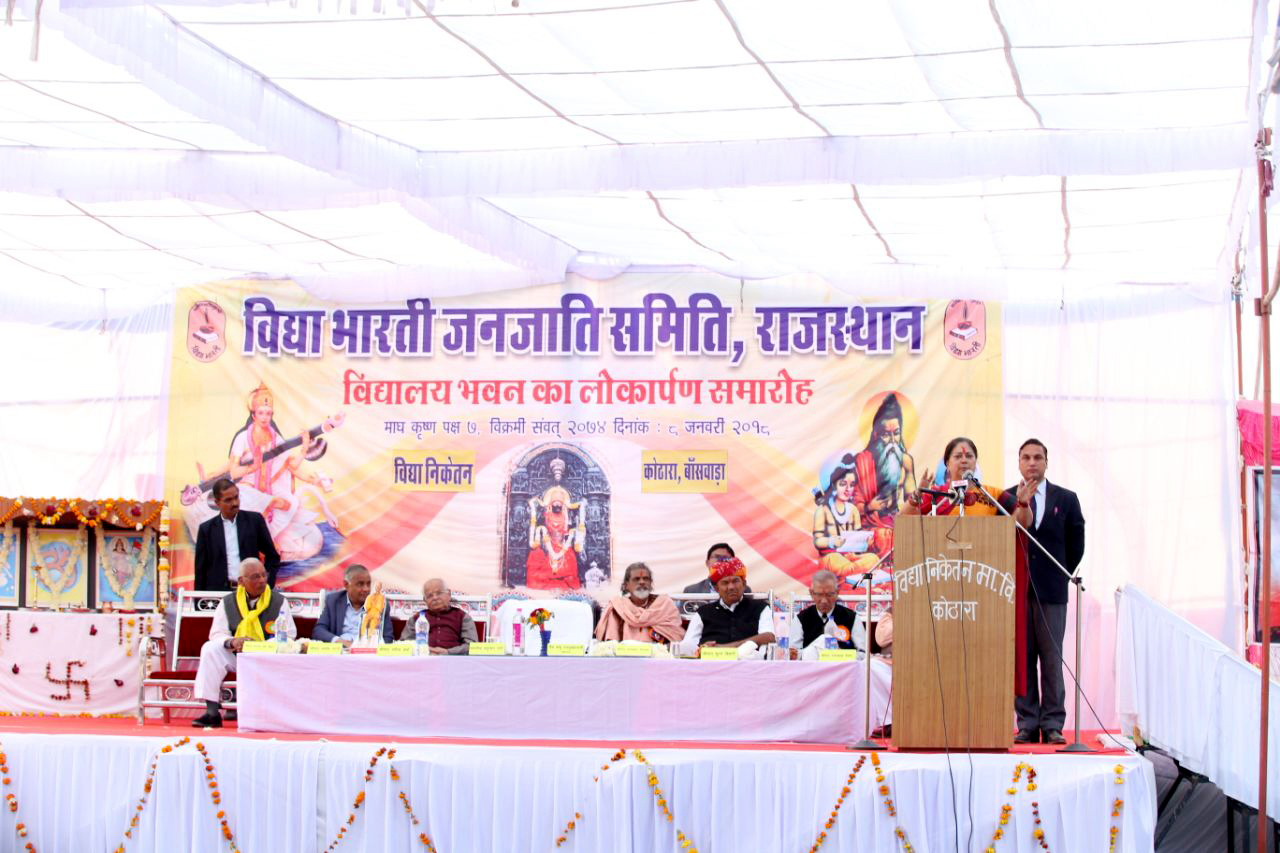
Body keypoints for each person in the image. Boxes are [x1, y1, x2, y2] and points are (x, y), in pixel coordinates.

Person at [1001, 439, 1085, 745]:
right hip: (1015, 592)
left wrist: (1058, 574)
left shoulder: (1067, 499)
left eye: (1038, 457)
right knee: (1022, 660)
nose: (1032, 462)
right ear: (1019, 463)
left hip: (1052, 592)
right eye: (1026, 457)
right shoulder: (1005, 499)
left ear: (1047, 462)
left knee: (1051, 659)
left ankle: (1052, 724)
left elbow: (1076, 544)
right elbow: (1000, 540)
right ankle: (1027, 723)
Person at [191, 558, 295, 728]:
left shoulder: (278, 601)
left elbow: (289, 635)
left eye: (264, 575)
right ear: (241, 581)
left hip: (267, 659)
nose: (262, 580)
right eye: (255, 577)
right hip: (238, 657)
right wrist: (233, 642)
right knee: (209, 649)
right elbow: (216, 633)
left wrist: (262, 646)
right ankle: (212, 712)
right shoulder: (227, 603)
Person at [194, 478, 281, 590]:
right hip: (218, 594)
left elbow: (272, 556)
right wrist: (199, 598)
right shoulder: (206, 529)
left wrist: (266, 584)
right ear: (217, 503)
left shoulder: (254, 521)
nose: (235, 503)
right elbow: (200, 570)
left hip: (251, 592)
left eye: (236, 497)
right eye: (228, 500)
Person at [677, 557, 775, 656]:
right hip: (711, 662)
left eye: (735, 581)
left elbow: (769, 636)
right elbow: (688, 644)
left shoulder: (760, 608)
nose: (731, 587)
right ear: (717, 588)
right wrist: (702, 650)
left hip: (748, 662)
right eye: (725, 583)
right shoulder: (703, 612)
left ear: (744, 584)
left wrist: (727, 647)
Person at [811, 463, 888, 583]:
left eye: (851, 485)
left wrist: (865, 543)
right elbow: (817, 541)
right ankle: (855, 574)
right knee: (845, 566)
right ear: (834, 486)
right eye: (843, 484)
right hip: (831, 557)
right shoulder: (822, 510)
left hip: (850, 556)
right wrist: (832, 542)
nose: (848, 489)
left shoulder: (853, 510)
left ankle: (853, 574)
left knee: (873, 558)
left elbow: (856, 539)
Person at [850, 393, 915, 529]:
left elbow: (912, 503)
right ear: (876, 435)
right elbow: (852, 506)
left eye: (896, 433)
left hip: (896, 523)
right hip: (868, 526)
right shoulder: (862, 461)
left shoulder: (906, 461)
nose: (892, 441)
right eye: (886, 434)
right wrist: (869, 507)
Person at [900, 437, 1002, 516]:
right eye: (958, 456)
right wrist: (918, 493)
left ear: (975, 462)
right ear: (947, 464)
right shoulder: (936, 494)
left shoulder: (992, 494)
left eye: (969, 456)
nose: (964, 460)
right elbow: (903, 518)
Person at [525, 458, 585, 590]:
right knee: (538, 575)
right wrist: (534, 507)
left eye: (560, 503)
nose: (557, 504)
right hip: (549, 546)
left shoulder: (565, 516)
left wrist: (573, 534)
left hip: (563, 546)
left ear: (563, 504)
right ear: (550, 504)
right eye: (555, 502)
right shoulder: (547, 515)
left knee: (570, 573)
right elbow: (536, 525)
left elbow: (572, 528)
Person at [594, 562, 685, 645]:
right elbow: (611, 643)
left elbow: (676, 639)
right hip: (625, 656)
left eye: (646, 579)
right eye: (636, 579)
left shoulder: (665, 605)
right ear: (626, 585)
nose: (642, 582)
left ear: (651, 583)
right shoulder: (618, 608)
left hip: (658, 656)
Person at [312, 564, 394, 646]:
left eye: (368, 584)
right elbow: (319, 630)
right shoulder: (334, 601)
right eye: (360, 584)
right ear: (346, 584)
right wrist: (340, 641)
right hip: (341, 650)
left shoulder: (379, 604)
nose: (366, 589)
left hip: (368, 651)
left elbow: (388, 637)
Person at [790, 569, 860, 658]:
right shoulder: (801, 619)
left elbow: (863, 654)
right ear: (811, 593)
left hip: (843, 665)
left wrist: (840, 655)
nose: (824, 600)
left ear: (837, 593)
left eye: (829, 595)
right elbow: (794, 654)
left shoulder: (851, 617)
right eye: (819, 595)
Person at [399, 578, 478, 654]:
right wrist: (422, 650)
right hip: (423, 659)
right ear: (425, 600)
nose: (435, 598)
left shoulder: (462, 617)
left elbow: (472, 646)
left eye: (439, 593)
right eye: (430, 596)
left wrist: (448, 652)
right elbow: (404, 645)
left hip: (454, 659)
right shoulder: (417, 618)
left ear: (449, 594)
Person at [683, 543, 753, 595]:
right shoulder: (691, 591)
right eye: (717, 557)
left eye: (726, 558)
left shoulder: (745, 590)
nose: (721, 560)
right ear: (707, 563)